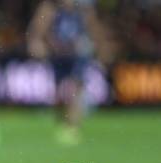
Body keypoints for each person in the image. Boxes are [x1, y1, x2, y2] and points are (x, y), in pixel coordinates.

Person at [27, 0, 111, 145]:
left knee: (75, 88)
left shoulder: (83, 7)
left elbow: (93, 27)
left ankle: (72, 126)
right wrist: (37, 42)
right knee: (59, 92)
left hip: (79, 53)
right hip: (58, 54)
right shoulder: (51, 6)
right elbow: (39, 27)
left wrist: (101, 49)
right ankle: (63, 122)